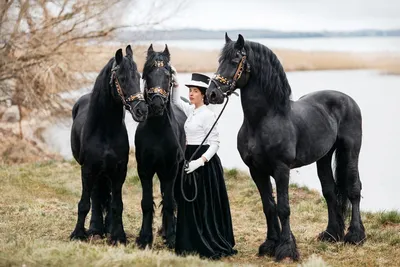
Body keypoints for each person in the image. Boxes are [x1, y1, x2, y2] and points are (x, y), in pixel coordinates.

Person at [171, 68, 237, 259]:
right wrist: (175, 82)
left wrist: (198, 163)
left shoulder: (207, 115)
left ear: (203, 95)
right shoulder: (191, 110)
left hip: (204, 163)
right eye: (190, 90)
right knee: (188, 202)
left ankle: (206, 241)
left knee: (203, 203)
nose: (191, 94)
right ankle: (188, 242)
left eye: (195, 91)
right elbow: (175, 101)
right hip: (189, 157)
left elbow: (215, 144)